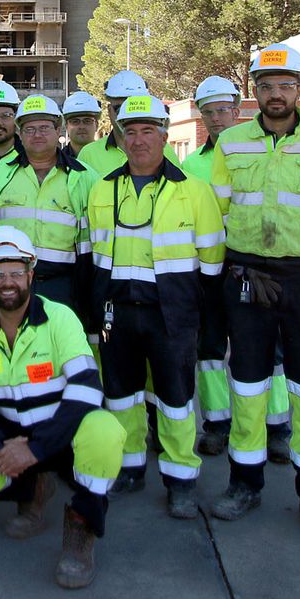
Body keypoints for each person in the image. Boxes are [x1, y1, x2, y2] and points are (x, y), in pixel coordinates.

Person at [208, 44, 300, 540]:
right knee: (247, 385)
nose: (276, 94)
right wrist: (246, 261)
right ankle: (244, 484)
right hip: (248, 277)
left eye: (286, 85)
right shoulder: (231, 144)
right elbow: (218, 212)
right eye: (267, 86)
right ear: (254, 91)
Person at [0, 228, 122, 589]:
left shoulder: (60, 319)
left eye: (16, 273)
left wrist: (36, 449)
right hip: (10, 433)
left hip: (60, 433)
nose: (8, 283)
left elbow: (86, 389)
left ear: (31, 275)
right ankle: (32, 489)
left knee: (105, 431)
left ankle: (82, 525)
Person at [86, 95, 225, 519]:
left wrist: (201, 320)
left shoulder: (194, 192)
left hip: (172, 313)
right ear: (120, 138)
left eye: (148, 131)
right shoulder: (102, 189)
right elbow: (93, 256)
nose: (139, 140)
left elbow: (212, 264)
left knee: (175, 399)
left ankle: (181, 478)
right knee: (121, 395)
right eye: (131, 132)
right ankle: (130, 468)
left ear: (165, 137)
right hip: (119, 311)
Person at [181, 75, 291, 461]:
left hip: (254, 266)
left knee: (265, 351)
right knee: (209, 350)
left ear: (238, 109)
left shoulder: (259, 153)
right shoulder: (191, 165)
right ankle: (217, 425)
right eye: (208, 112)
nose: (216, 118)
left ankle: (276, 428)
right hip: (208, 271)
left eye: (223, 110)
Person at [0, 94, 97, 325]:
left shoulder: (85, 177)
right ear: (19, 133)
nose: (37, 134)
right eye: (29, 129)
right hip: (9, 282)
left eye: (44, 128)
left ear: (58, 130)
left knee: (57, 350)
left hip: (63, 284)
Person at [61, 91, 101, 159]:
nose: (81, 126)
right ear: (66, 126)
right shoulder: (57, 161)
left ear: (96, 125)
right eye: (75, 121)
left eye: (87, 121)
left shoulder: (112, 158)